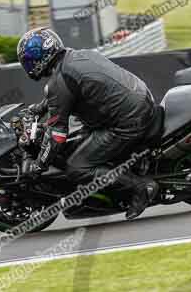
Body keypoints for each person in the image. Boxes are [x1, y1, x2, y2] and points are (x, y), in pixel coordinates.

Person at [17, 27, 159, 220]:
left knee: (78, 167)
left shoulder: (58, 82)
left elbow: (57, 135)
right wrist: (38, 109)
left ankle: (141, 187)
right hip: (140, 100)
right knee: (78, 141)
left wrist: (40, 164)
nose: (27, 64)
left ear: (37, 59)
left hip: (127, 122)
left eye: (27, 60)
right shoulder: (78, 55)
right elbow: (65, 94)